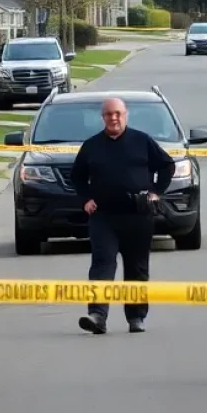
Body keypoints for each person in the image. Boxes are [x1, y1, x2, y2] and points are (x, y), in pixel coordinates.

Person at [70, 97, 176, 335]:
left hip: (138, 216)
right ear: (103, 117)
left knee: (137, 268)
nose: (114, 118)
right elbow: (76, 176)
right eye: (109, 114)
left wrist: (156, 193)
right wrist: (85, 198)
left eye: (118, 113)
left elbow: (167, 165)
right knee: (102, 264)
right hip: (104, 217)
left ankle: (136, 316)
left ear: (126, 115)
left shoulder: (142, 141)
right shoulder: (92, 146)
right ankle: (97, 315)